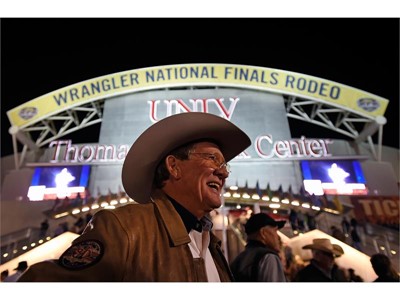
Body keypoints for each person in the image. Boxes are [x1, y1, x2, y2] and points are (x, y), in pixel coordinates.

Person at [18, 112, 251, 282]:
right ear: (174, 166)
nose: (223, 172)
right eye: (212, 159)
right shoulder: (123, 228)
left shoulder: (213, 244)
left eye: (224, 165)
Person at [229, 213, 287, 282]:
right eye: (275, 231)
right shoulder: (268, 257)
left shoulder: (238, 260)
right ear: (263, 233)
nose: (278, 237)